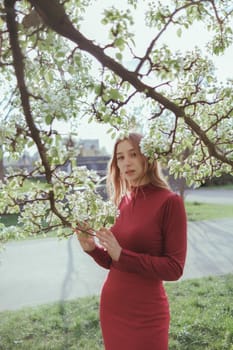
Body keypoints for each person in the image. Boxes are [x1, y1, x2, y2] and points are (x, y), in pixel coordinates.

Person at [75, 132, 187, 350]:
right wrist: (92, 249)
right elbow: (113, 262)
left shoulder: (170, 202)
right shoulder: (120, 201)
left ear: (148, 156)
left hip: (147, 313)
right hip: (113, 307)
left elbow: (174, 268)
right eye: (120, 157)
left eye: (133, 154)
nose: (126, 163)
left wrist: (122, 254)